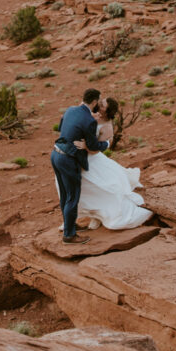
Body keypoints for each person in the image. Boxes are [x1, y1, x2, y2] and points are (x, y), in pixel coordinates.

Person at [74, 97, 152, 230]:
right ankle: (92, 216)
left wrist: (85, 146)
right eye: (100, 101)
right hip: (77, 157)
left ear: (106, 110)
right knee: (82, 189)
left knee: (102, 188)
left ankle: (99, 216)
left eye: (102, 104)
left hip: (92, 159)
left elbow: (97, 149)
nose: (99, 104)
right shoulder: (90, 111)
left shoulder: (107, 126)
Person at [51, 88, 111, 243]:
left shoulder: (71, 109)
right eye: (99, 100)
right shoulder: (89, 120)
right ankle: (69, 236)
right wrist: (106, 143)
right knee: (72, 196)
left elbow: (61, 127)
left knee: (65, 195)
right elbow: (92, 146)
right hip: (68, 159)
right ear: (94, 101)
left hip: (56, 154)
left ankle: (69, 225)